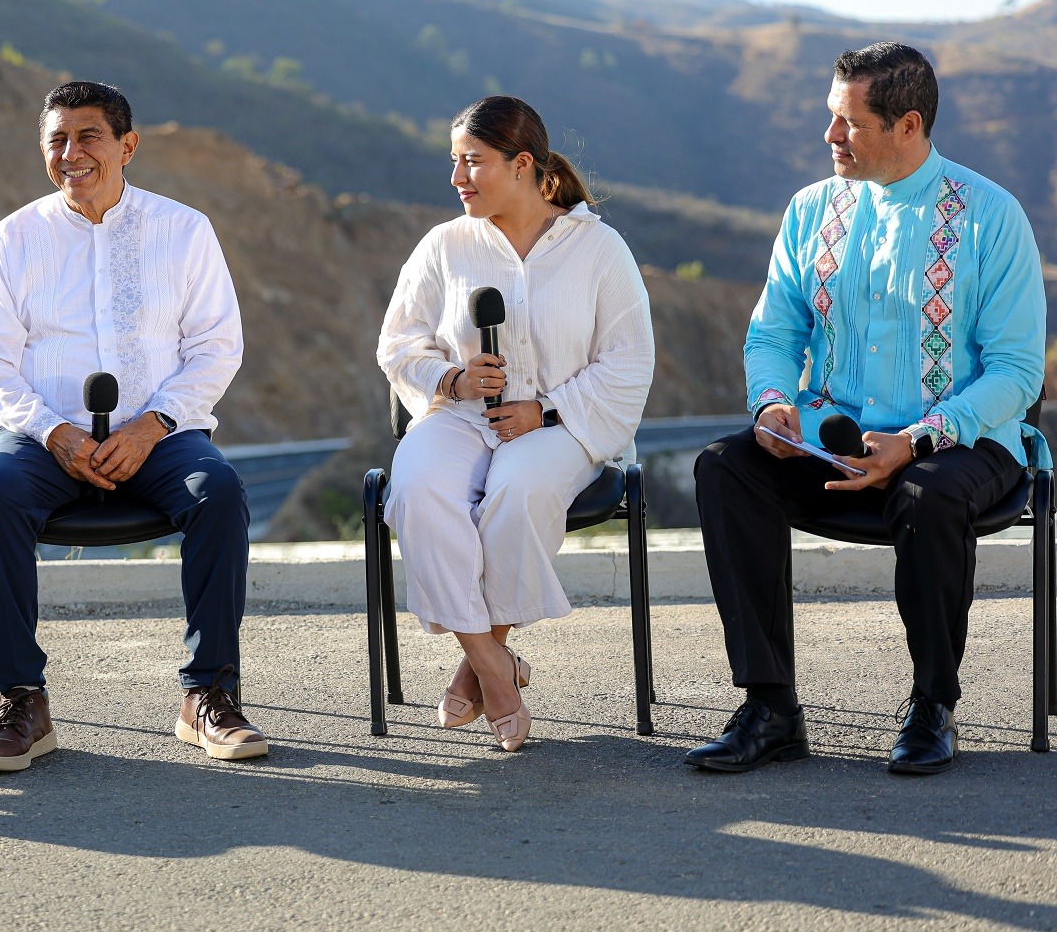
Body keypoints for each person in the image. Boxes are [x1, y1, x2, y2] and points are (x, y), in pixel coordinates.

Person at [687, 43, 1046, 776]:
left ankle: (931, 706)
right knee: (725, 467)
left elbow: (1017, 371)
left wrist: (915, 440)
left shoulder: (991, 217)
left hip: (962, 443)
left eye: (848, 122)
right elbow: (775, 332)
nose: (830, 137)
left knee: (928, 491)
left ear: (908, 124)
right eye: (831, 117)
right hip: (830, 438)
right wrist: (773, 406)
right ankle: (770, 707)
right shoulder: (810, 210)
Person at [0, 80, 265, 771]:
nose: (71, 153)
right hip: (44, 437)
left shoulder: (185, 230)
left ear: (127, 146)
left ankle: (207, 694)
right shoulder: (13, 238)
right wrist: (54, 432)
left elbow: (217, 347)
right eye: (56, 140)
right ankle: (21, 700)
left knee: (219, 491)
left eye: (87, 136)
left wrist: (151, 426)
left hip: (161, 435)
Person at [377, 95, 655, 751]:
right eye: (454, 163)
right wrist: (453, 379)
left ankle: (483, 667)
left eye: (472, 162)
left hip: (565, 424)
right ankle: (494, 666)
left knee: (517, 492)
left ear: (522, 163)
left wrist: (545, 408)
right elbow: (400, 344)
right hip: (463, 415)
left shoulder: (599, 249)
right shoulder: (444, 245)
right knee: (415, 490)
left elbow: (628, 361)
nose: (457, 179)